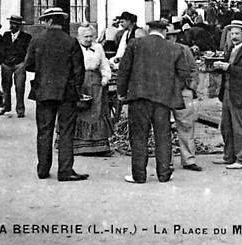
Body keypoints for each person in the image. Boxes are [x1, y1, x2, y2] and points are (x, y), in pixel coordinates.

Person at [118, 19, 190, 183]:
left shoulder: (135, 44)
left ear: (149, 29)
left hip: (139, 97)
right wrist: (170, 88)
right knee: (163, 137)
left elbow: (124, 70)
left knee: (138, 137)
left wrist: (122, 93)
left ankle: (139, 175)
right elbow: (184, 74)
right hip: (163, 100)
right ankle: (164, 174)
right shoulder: (175, 48)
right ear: (165, 31)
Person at [23, 8, 88, 182]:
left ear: (50, 21)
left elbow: (28, 65)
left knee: (44, 131)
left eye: (45, 20)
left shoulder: (37, 40)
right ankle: (65, 171)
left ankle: (43, 169)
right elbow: (79, 71)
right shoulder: (71, 41)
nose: (43, 23)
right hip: (67, 93)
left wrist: (44, 71)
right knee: (66, 131)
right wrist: (75, 88)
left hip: (43, 91)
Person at [212, 20, 242, 169]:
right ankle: (229, 156)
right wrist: (219, 66)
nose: (234, 36)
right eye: (232, 33)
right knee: (226, 126)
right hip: (227, 92)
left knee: (239, 127)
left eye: (237, 33)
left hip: (240, 94)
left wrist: (229, 67)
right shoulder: (231, 49)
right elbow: (229, 70)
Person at [73, 24, 113, 156]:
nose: (89, 39)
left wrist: (105, 78)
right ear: (79, 37)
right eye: (86, 37)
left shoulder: (98, 47)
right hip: (80, 81)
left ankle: (99, 146)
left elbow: (104, 64)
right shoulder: (75, 47)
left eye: (91, 36)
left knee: (96, 110)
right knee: (80, 109)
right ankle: (78, 145)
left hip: (95, 82)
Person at [166, 23, 202, 172]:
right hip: (163, 93)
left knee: (186, 125)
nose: (168, 39)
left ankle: (188, 159)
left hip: (182, 91)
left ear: (175, 37)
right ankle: (166, 161)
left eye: (170, 36)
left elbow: (194, 69)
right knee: (163, 127)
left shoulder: (184, 50)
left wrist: (191, 88)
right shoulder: (156, 50)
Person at [0, 15, 32, 118]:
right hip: (6, 65)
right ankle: (6, 106)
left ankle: (20, 109)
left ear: (19, 26)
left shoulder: (26, 37)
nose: (12, 26)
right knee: (6, 86)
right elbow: (1, 49)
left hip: (19, 64)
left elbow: (27, 52)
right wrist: (3, 61)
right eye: (11, 23)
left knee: (20, 87)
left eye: (14, 24)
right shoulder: (6, 35)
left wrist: (24, 63)